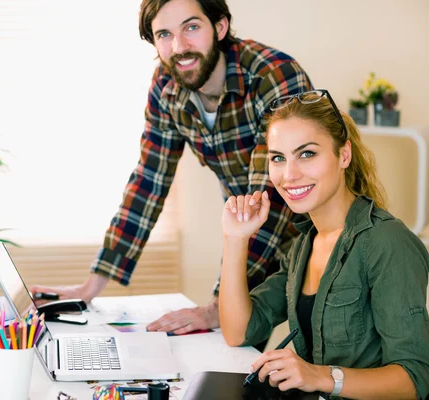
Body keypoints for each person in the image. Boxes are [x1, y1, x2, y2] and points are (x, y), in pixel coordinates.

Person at [30, 0, 313, 335]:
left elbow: (269, 194)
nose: (179, 46)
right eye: (164, 34)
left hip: (316, 234)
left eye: (192, 27)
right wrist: (90, 287)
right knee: (235, 350)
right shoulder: (166, 88)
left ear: (219, 27)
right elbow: (148, 182)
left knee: (317, 358)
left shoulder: (272, 76)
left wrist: (218, 304)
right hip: (251, 234)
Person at [219, 89, 429, 399]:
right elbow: (239, 331)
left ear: (343, 155)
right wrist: (235, 239)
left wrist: (320, 376)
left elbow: (415, 379)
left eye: (307, 153)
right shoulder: (305, 244)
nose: (289, 175)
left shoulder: (387, 242)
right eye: (278, 158)